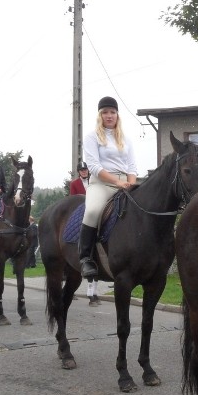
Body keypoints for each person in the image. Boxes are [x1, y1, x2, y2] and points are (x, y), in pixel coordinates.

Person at [78, 96, 137, 280]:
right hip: (101, 184)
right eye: (105, 112)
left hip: (125, 183)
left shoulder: (126, 140)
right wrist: (117, 182)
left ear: (117, 115)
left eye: (112, 112)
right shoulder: (91, 137)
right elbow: (94, 167)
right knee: (93, 211)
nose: (109, 115)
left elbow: (132, 167)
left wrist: (131, 184)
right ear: (100, 115)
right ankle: (85, 257)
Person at [67, 161, 102, 304]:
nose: (84, 172)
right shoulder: (74, 184)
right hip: (82, 209)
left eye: (85, 170)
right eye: (81, 170)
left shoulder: (94, 180)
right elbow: (73, 199)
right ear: (78, 172)